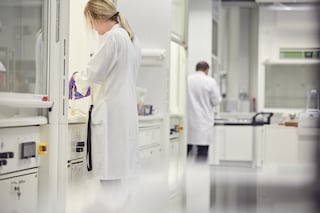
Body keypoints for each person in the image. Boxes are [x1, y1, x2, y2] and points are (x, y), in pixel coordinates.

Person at [75, 0, 141, 211]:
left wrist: (77, 79)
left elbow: (95, 71)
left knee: (110, 176)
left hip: (112, 116)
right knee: (115, 177)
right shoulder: (128, 37)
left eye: (92, 22)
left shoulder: (113, 37)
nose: (93, 28)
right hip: (121, 113)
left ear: (100, 17)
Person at [187, 61, 221, 162]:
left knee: (186, 149)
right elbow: (215, 101)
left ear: (196, 69)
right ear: (207, 70)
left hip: (188, 121)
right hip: (203, 121)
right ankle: (199, 174)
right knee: (202, 150)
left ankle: (183, 173)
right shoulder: (210, 81)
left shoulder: (187, 80)